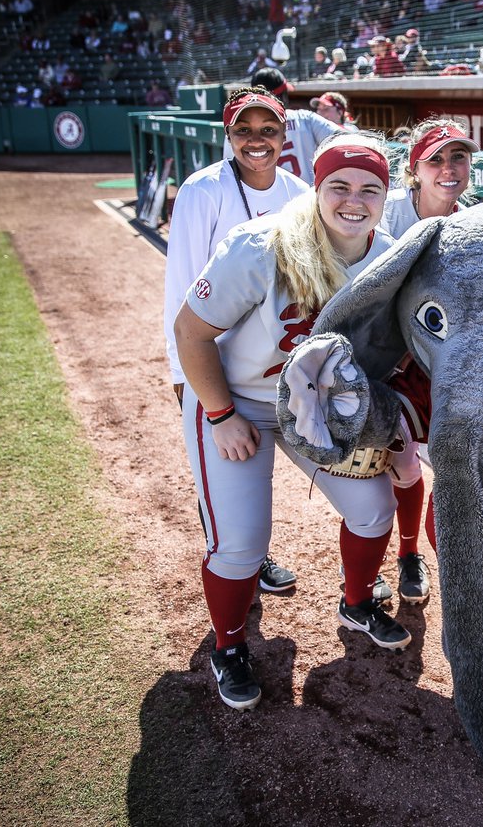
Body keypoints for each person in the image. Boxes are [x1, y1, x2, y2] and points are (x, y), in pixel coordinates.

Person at [174, 132, 410, 710]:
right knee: (241, 546)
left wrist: (393, 421)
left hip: (321, 405)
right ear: (316, 187)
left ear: (386, 196)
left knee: (374, 507)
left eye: (370, 189)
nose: (354, 200)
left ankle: (357, 604)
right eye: (339, 186)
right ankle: (228, 645)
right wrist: (220, 413)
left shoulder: (394, 256)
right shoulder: (262, 244)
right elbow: (190, 332)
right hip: (239, 399)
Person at [164, 90, 310, 594]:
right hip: (209, 355)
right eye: (243, 130)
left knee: (252, 467)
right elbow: (181, 285)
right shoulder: (202, 190)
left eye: (267, 130)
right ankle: (236, 560)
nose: (256, 140)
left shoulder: (298, 192)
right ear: (228, 135)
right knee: (225, 467)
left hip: (267, 359)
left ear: (283, 134)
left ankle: (252, 556)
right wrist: (182, 374)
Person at [380, 120, 483, 603]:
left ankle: (407, 554)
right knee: (368, 468)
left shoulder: (473, 224)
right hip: (376, 358)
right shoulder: (384, 211)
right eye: (436, 159)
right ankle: (365, 562)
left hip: (432, 366)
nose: (448, 168)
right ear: (413, 170)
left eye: (457, 157)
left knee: (412, 466)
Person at [247, 67, 343, 184]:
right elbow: (346, 139)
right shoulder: (305, 118)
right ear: (282, 95)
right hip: (306, 198)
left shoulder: (241, 130)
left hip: (266, 200)